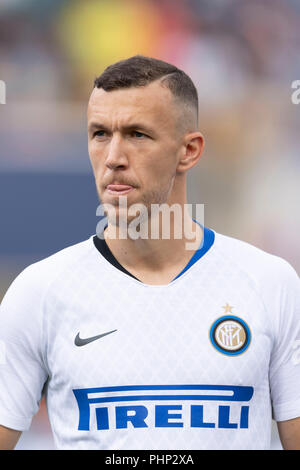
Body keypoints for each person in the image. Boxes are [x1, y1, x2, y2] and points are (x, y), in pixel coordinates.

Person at [0, 55, 299, 450]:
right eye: (100, 134)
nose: (113, 158)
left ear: (189, 151)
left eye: (137, 134)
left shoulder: (268, 284)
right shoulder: (40, 292)